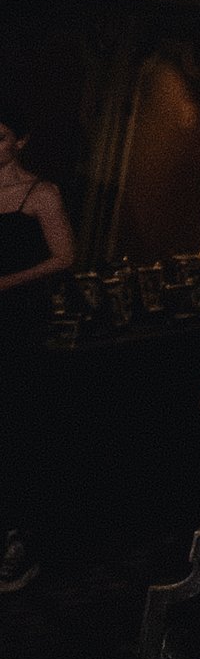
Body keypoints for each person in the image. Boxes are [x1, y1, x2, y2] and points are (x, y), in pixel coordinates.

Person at [0, 99, 76, 594]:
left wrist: (6, 283)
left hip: (16, 323)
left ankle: (17, 543)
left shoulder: (39, 193)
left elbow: (66, 256)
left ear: (19, 141)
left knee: (13, 429)